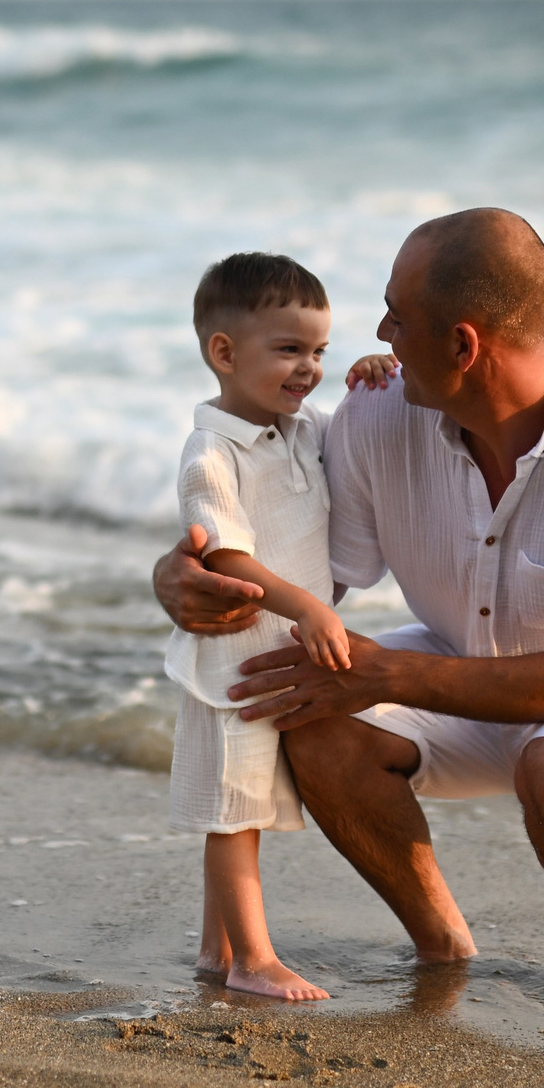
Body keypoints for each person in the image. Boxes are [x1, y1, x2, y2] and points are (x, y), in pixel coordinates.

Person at [154, 209, 544, 998]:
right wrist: (184, 581)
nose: (379, 333)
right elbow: (299, 564)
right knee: (304, 701)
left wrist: (388, 676)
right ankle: (441, 945)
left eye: (398, 316)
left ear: (463, 345)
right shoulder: (377, 414)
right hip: (452, 664)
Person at [162, 251, 397, 1002]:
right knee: (234, 817)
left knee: (241, 813)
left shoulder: (302, 430)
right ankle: (253, 961)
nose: (309, 370)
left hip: (271, 657)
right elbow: (228, 554)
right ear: (223, 353)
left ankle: (215, 948)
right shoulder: (211, 452)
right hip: (234, 661)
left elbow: (356, 437)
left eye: (321, 352)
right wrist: (307, 605)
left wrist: (369, 376)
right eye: (290, 350)